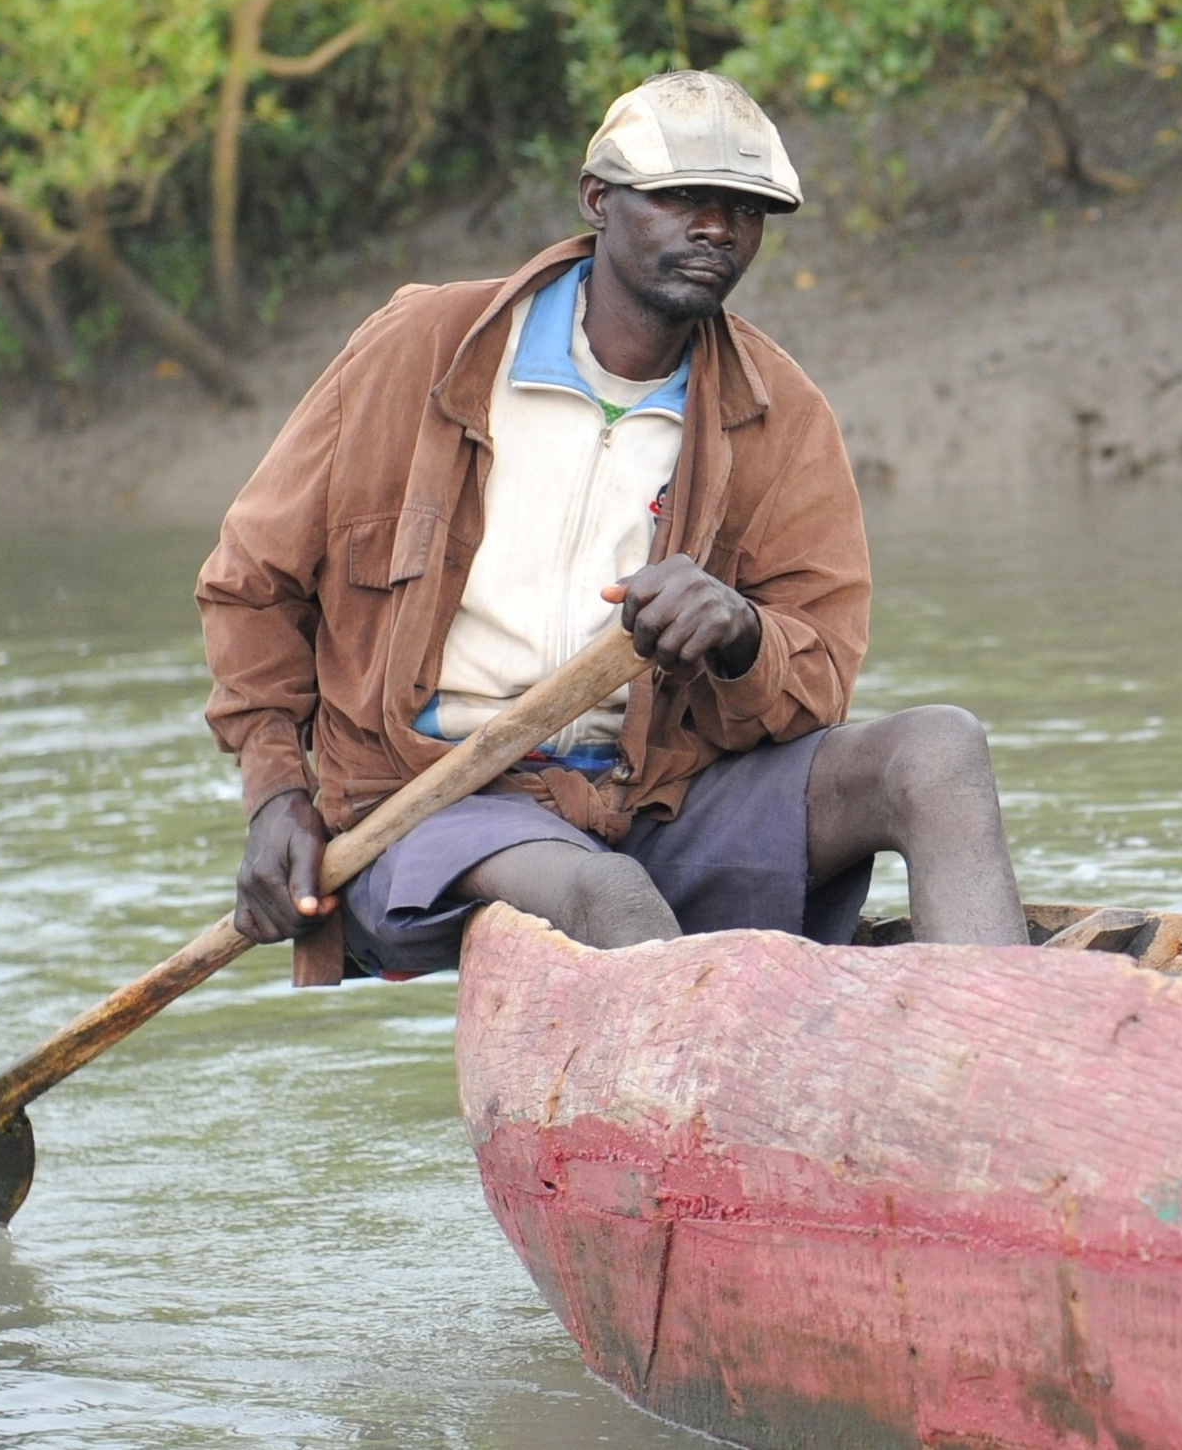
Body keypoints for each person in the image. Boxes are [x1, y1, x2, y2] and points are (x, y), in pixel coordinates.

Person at [196, 71, 1028, 977]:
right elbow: (252, 586)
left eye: (744, 210)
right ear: (598, 199)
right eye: (680, 199)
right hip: (436, 802)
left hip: (660, 800)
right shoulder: (420, 347)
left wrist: (743, 635)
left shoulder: (781, 413)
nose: (716, 227)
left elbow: (818, 681)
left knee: (939, 751)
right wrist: (277, 794)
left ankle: (1000, 1044)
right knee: (612, 898)